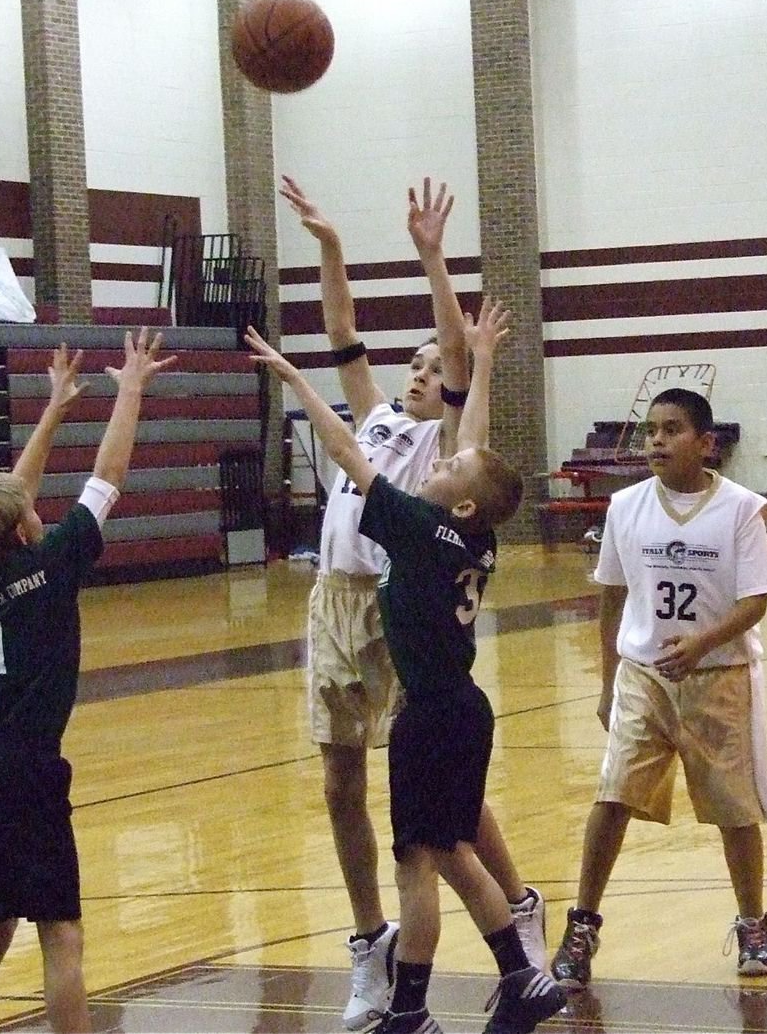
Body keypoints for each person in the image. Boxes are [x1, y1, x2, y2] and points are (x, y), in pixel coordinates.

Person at [245, 315, 565, 1034]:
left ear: (458, 500)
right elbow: (474, 448)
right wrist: (479, 363)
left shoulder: (415, 530)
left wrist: (295, 380)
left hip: (429, 716)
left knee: (421, 861)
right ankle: (517, 977)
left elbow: (344, 450)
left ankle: (424, 1004)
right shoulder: (477, 539)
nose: (438, 464)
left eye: (447, 469)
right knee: (446, 854)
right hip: (466, 708)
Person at [0, 331, 176, 1034]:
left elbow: (2, 501)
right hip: (28, 772)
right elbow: (106, 477)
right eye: (27, 509)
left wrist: (52, 408)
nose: (34, 504)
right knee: (61, 934)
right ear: (22, 531)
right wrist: (131, 392)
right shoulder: (50, 570)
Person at [550, 387, 767, 991]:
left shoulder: (741, 509)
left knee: (735, 809)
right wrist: (607, 684)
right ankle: (582, 924)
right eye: (651, 429)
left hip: (718, 678)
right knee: (613, 796)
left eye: (671, 429)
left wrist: (703, 643)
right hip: (644, 677)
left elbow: (756, 601)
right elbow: (611, 598)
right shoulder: (625, 506)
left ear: (706, 443)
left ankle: (754, 923)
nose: (656, 439)